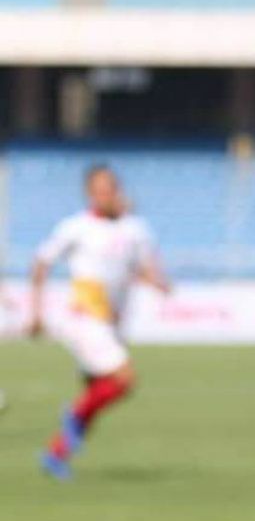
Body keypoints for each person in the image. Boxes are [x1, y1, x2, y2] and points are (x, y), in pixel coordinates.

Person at [31, 164, 170, 479]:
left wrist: (157, 281)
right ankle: (73, 415)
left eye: (111, 188)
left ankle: (56, 455)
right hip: (84, 317)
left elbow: (138, 266)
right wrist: (36, 312)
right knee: (123, 378)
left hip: (113, 321)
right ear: (90, 193)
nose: (107, 194)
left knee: (98, 390)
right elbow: (41, 263)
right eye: (100, 190)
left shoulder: (134, 228)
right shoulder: (75, 227)